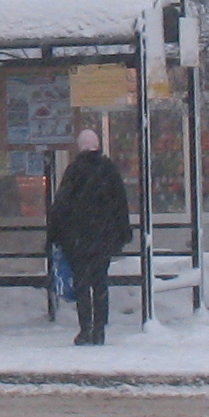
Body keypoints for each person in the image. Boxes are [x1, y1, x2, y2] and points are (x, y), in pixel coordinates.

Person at [48, 127, 133, 346]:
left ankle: (85, 328)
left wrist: (55, 235)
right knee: (100, 283)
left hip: (78, 240)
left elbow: (61, 205)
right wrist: (121, 233)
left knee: (82, 285)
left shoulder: (74, 170)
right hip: (103, 239)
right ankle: (100, 330)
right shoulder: (108, 170)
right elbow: (120, 204)